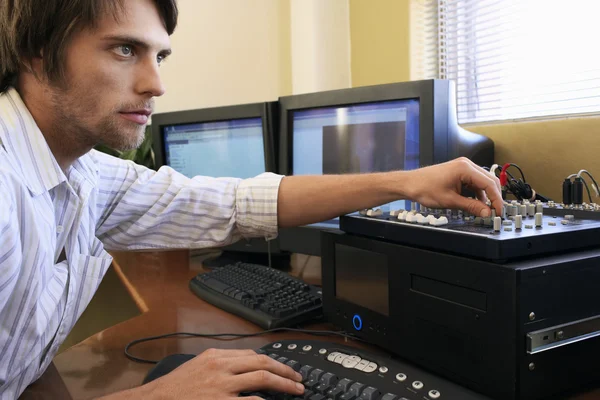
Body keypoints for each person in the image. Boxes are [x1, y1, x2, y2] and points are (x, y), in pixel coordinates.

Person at [0, 0, 502, 398]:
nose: (156, 84)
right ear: (36, 50)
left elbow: (237, 203)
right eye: (125, 50)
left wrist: (406, 183)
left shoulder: (84, 171)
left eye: (159, 55)